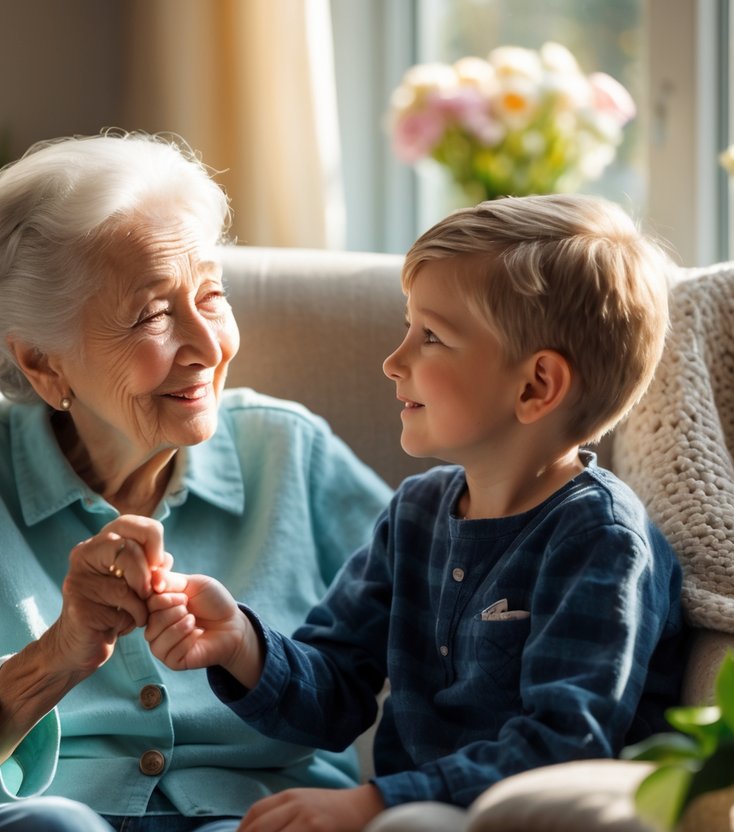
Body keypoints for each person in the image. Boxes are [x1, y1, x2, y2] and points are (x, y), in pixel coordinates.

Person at [0, 131, 392, 832]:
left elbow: (452, 620)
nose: (207, 345)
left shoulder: (288, 450)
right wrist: (57, 655)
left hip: (254, 813)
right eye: (154, 314)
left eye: (211, 297)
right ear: (42, 364)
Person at [144, 194, 689, 831]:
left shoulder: (601, 539)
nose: (394, 360)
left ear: (536, 385)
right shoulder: (417, 514)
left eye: (430, 337)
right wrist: (241, 646)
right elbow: (337, 692)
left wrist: (376, 803)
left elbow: (565, 744)